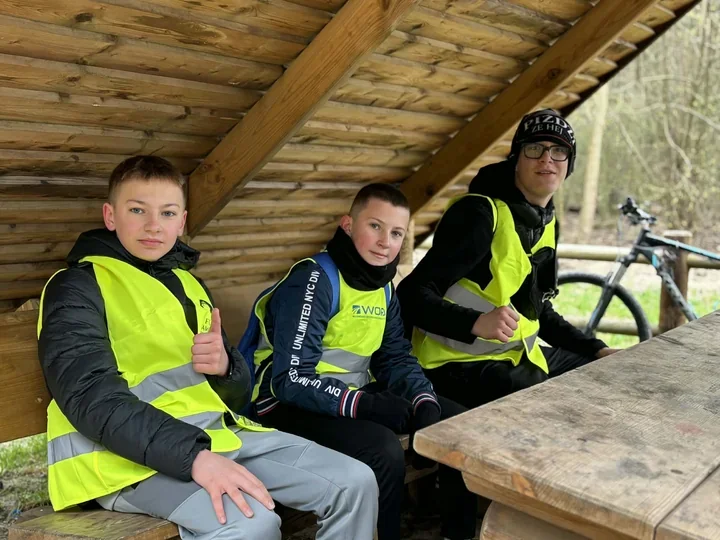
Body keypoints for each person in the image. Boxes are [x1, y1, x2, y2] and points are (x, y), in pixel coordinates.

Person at [37, 156, 378, 540]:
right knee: (252, 524)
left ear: (182, 221)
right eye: (137, 210)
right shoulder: (77, 287)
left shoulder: (189, 284)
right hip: (123, 462)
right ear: (110, 216)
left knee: (354, 482)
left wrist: (225, 369)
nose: (153, 225)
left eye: (167, 213)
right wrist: (195, 457)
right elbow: (90, 397)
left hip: (215, 437)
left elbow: (235, 394)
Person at [248, 184, 478, 540]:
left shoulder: (383, 287)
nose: (385, 241)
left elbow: (395, 357)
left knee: (457, 422)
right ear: (348, 225)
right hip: (284, 403)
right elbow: (291, 379)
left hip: (347, 394)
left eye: (396, 233)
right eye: (375, 226)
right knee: (384, 450)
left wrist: (423, 400)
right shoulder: (314, 280)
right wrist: (365, 405)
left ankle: (457, 534)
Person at [397, 108, 620, 410]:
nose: (547, 159)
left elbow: (536, 309)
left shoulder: (546, 222)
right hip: (451, 365)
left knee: (598, 373)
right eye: (534, 149)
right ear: (516, 159)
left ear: (569, 165)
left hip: (514, 356)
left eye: (558, 151)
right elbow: (410, 295)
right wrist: (476, 322)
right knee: (547, 401)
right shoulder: (478, 215)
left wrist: (596, 349)